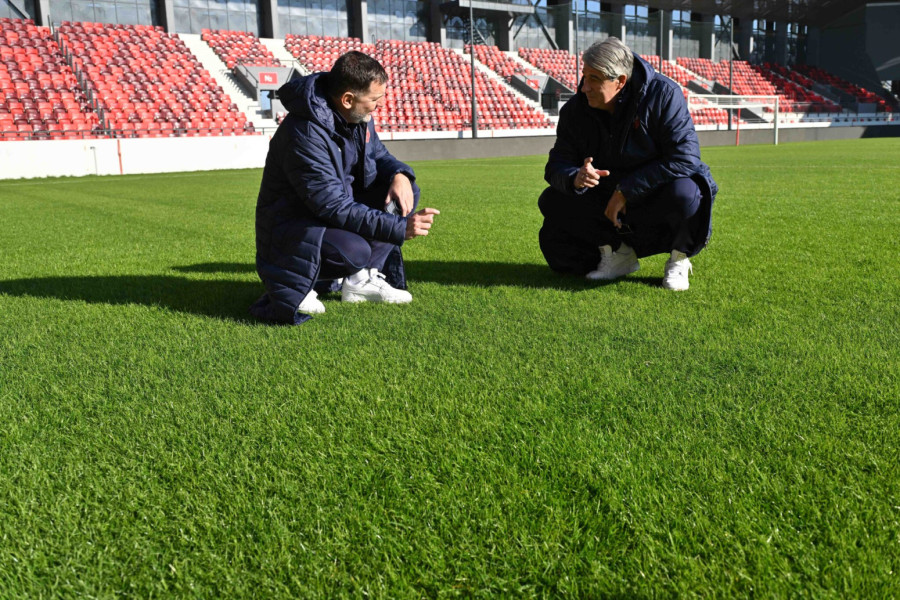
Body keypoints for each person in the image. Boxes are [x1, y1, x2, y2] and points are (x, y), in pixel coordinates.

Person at [251, 51, 439, 324]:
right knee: (354, 252)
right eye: (374, 99)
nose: (379, 106)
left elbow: (379, 156)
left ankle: (360, 281)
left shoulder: (356, 118)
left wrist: (400, 175)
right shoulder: (304, 132)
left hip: (327, 214)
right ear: (347, 99)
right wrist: (399, 228)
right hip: (294, 226)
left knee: (405, 193)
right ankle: (297, 282)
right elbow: (331, 205)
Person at [538, 37, 717, 291]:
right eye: (584, 76)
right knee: (552, 203)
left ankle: (679, 257)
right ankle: (617, 252)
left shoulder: (664, 94)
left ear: (620, 81)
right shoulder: (575, 110)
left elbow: (685, 157)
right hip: (605, 203)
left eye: (594, 79)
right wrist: (575, 176)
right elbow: (556, 164)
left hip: (653, 198)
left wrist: (627, 190)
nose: (584, 87)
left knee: (686, 192)